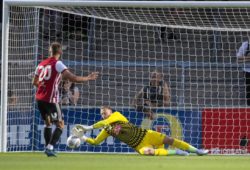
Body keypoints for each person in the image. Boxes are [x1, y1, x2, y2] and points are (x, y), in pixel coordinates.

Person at [32, 42, 99, 157]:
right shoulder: (58, 64)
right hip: (51, 99)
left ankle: (48, 148)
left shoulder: (41, 64)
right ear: (60, 52)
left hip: (39, 98)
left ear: (50, 51)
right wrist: (88, 78)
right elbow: (73, 78)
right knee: (60, 124)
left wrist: (44, 86)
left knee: (47, 123)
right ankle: (50, 147)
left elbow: (35, 82)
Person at [72, 106, 209, 156]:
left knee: (170, 140)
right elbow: (96, 142)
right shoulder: (107, 130)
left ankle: (197, 151)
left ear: (110, 111)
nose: (103, 114)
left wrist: (88, 128)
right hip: (139, 146)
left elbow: (105, 122)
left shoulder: (116, 115)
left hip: (146, 135)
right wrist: (82, 138)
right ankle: (177, 152)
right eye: (102, 113)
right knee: (148, 153)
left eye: (105, 112)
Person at [237, 40, 250, 106]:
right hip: (248, 71)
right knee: (249, 89)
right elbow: (238, 58)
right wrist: (248, 58)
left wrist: (245, 58)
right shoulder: (245, 44)